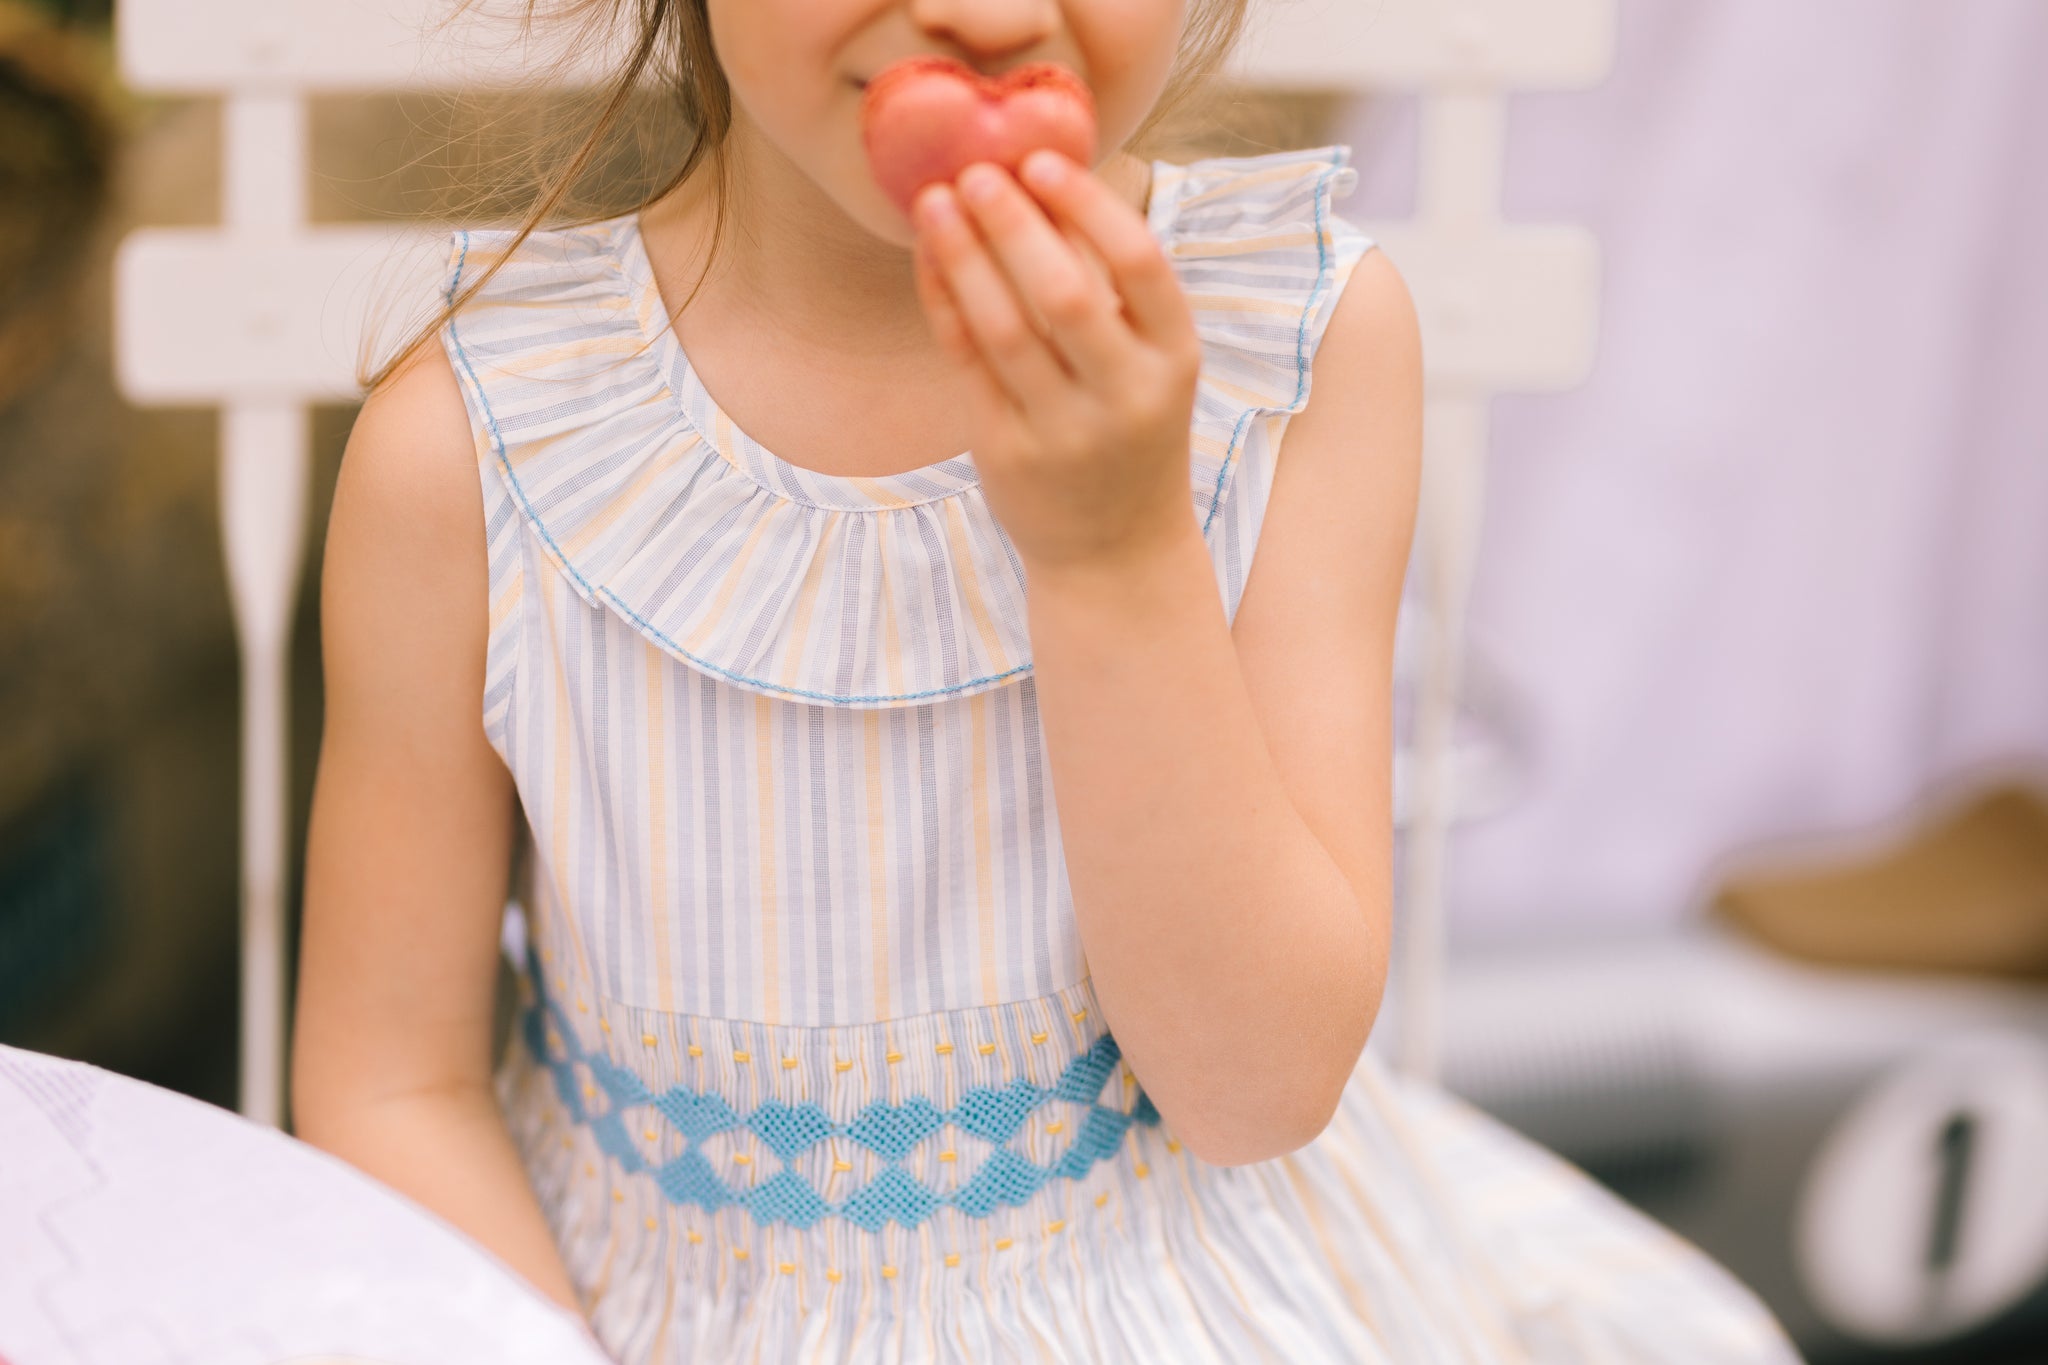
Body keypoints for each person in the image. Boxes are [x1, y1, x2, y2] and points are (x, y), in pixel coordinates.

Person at [290, 1, 1805, 1360]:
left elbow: (1256, 1085)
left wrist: (1115, 553)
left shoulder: (1297, 356)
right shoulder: (471, 450)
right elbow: (392, 1083)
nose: (995, 15)